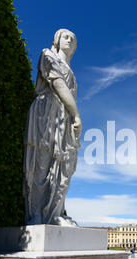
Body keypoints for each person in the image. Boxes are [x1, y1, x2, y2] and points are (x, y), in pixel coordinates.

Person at [23, 29, 81, 226]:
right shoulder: (47, 56)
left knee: (63, 166)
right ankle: (36, 214)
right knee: (42, 162)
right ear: (56, 40)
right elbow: (58, 85)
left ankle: (55, 212)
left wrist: (72, 116)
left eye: (73, 39)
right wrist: (76, 114)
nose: (70, 40)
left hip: (65, 116)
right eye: (66, 36)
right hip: (46, 112)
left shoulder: (71, 71)